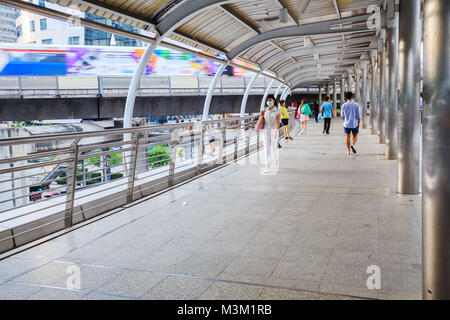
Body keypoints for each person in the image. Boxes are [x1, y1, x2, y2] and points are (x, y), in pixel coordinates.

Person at [259, 95, 281, 174]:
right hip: (265, 131)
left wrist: (276, 131)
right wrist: (261, 116)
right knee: (266, 149)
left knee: (274, 148)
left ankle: (276, 162)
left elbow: (278, 122)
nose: (269, 102)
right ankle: (267, 166)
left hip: (274, 130)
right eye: (267, 100)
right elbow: (261, 120)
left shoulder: (277, 111)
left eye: (270, 100)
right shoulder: (264, 110)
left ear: (274, 101)